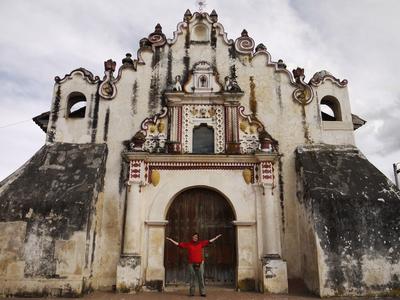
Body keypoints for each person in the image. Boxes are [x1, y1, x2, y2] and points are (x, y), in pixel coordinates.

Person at [166, 232, 222, 297]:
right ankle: (191, 293)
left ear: (197, 238)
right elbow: (178, 244)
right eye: (194, 237)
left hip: (200, 264)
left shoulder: (201, 243)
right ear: (192, 237)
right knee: (192, 278)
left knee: (201, 278)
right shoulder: (188, 244)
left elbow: (209, 241)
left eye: (196, 237)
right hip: (191, 264)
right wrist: (171, 240)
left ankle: (202, 292)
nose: (195, 238)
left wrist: (216, 237)